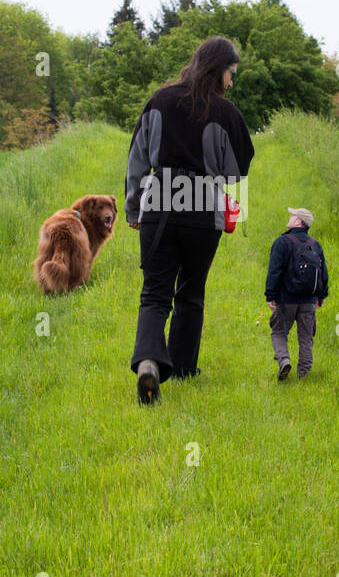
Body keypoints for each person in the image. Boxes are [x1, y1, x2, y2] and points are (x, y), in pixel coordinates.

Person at [125, 36, 255, 405]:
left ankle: (149, 363)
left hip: (159, 210)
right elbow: (236, 172)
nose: (232, 81)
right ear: (220, 69)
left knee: (154, 294)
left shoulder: (160, 100)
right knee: (191, 293)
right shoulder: (226, 113)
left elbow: (137, 160)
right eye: (232, 73)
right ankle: (182, 369)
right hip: (202, 212)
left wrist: (134, 209)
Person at [264, 207, 328, 380]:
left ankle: (284, 361)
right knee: (306, 337)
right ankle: (304, 374)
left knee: (278, 332)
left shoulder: (283, 242)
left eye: (293, 216)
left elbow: (275, 271)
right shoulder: (315, 244)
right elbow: (323, 272)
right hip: (309, 300)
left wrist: (270, 295)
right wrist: (322, 296)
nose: (290, 217)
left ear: (299, 222)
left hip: (287, 299)